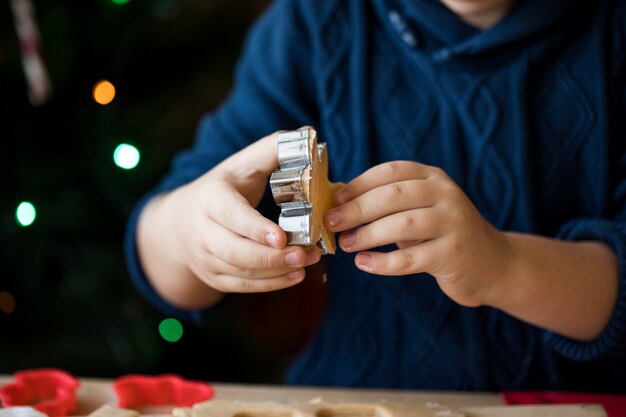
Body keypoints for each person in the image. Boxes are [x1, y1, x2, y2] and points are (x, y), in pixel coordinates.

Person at [124, 0, 626, 391]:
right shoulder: (316, 21)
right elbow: (163, 254)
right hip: (351, 394)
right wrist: (187, 231)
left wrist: (505, 266)